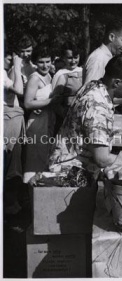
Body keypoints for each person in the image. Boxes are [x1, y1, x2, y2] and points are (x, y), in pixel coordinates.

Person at [49, 56, 122, 180]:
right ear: (116, 82)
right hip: (70, 176)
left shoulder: (94, 86)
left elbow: (112, 97)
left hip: (62, 165)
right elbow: (102, 159)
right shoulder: (98, 108)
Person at [22, 45, 61, 183]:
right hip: (37, 123)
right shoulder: (35, 78)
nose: (45, 65)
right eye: (41, 62)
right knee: (35, 159)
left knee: (45, 158)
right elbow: (28, 103)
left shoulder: (50, 76)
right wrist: (50, 101)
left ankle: (40, 194)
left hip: (48, 120)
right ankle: (30, 194)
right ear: (35, 62)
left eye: (47, 61)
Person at [3, 44, 26, 214]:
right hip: (6, 120)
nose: (13, 61)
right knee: (10, 166)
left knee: (12, 164)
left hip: (11, 118)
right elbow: (18, 90)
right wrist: (17, 68)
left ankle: (10, 206)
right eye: (10, 58)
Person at [51, 42, 83, 132]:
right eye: (69, 58)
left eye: (76, 57)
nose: (73, 61)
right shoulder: (60, 74)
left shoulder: (83, 71)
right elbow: (54, 101)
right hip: (65, 119)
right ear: (63, 58)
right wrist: (66, 115)